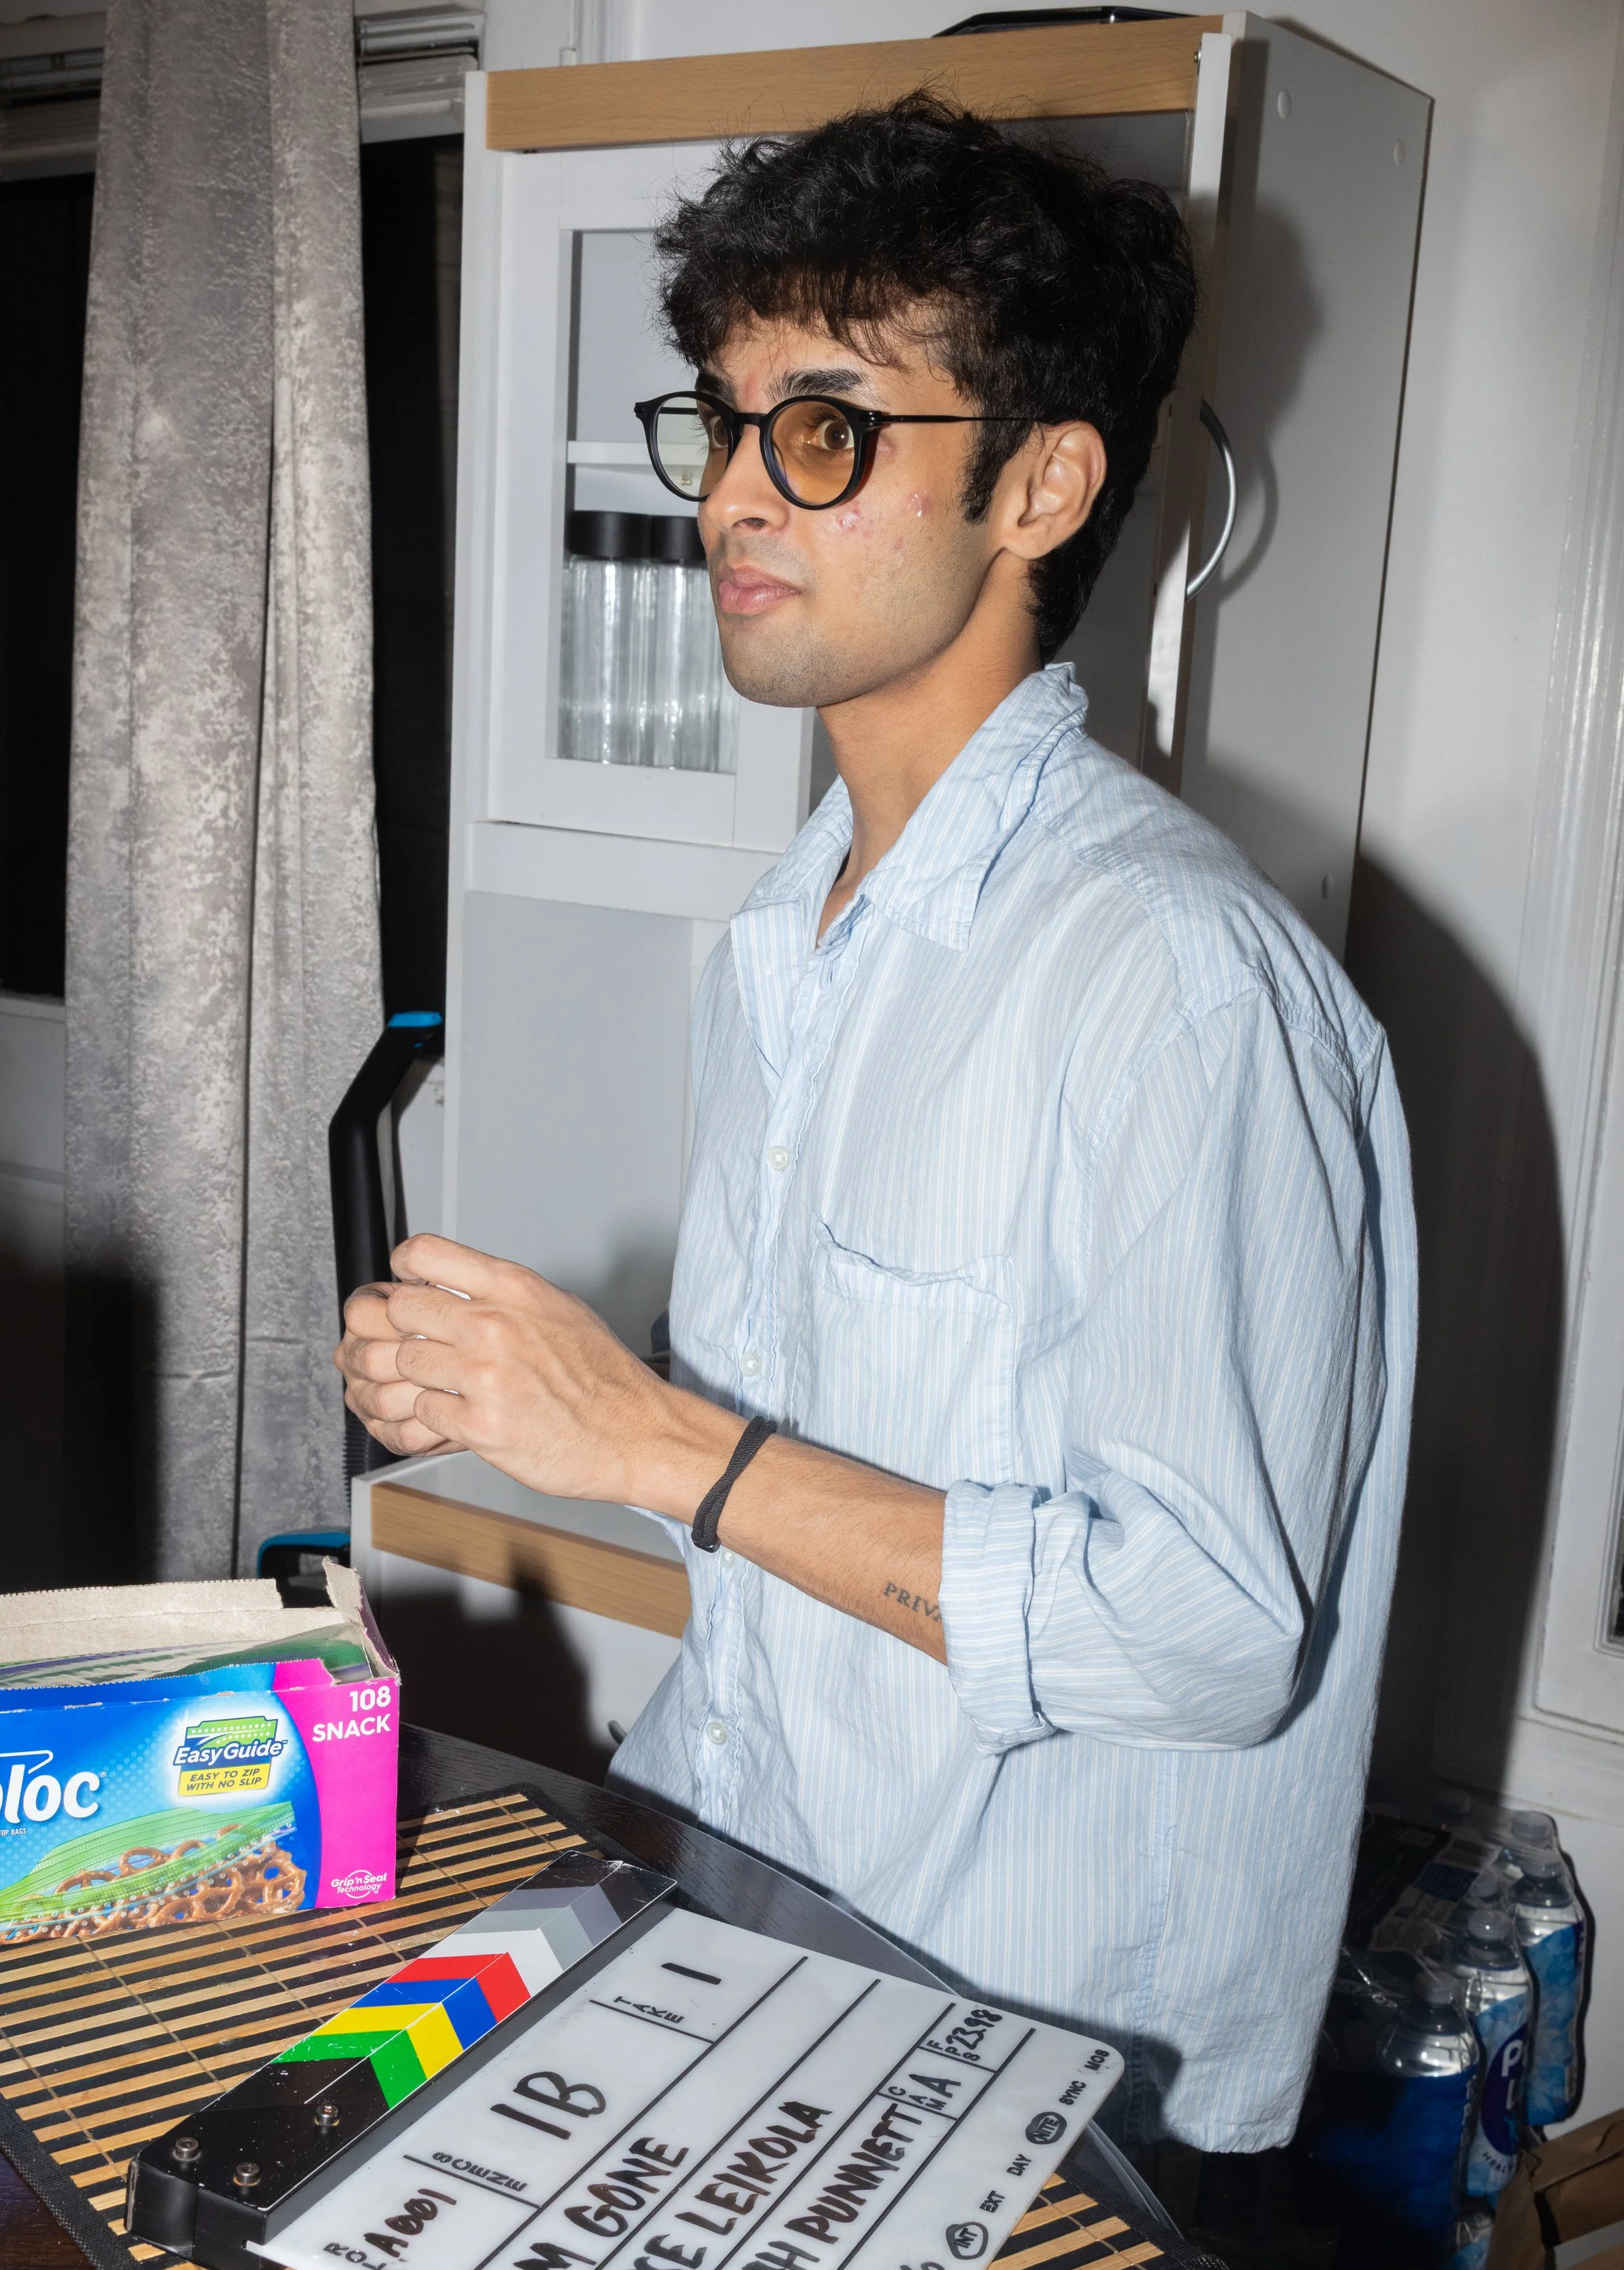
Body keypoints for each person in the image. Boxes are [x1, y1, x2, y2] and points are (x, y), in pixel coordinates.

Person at [337, 97, 1415, 2153]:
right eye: (726, 422)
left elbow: (1203, 1633)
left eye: (823, 430)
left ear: (1040, 482)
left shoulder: (1172, 977)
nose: (736, 493)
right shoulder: (782, 936)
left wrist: (650, 1435)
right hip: (758, 1918)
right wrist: (547, 1405)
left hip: (1035, 2076)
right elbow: (818, 1502)